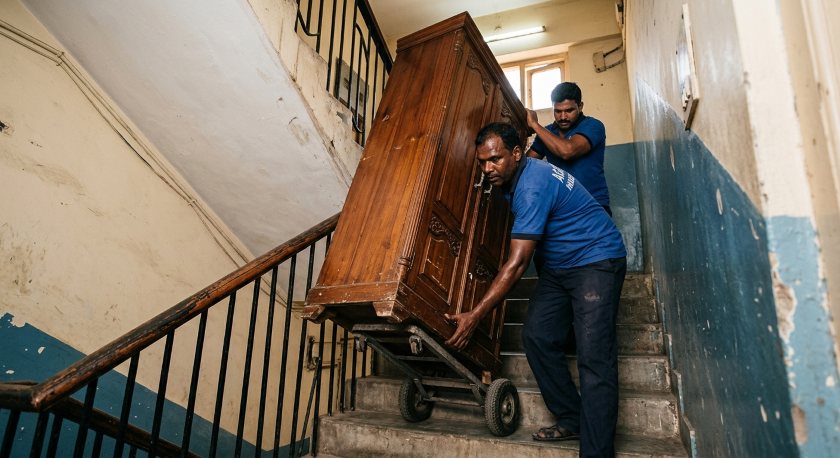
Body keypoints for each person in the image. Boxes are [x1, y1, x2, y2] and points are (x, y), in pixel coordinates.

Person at [445, 122, 627, 457]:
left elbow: (516, 266)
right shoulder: (515, 178)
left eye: (495, 159)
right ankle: (572, 417)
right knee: (538, 336)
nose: (488, 169)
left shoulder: (532, 185)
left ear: (517, 153)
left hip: (597, 259)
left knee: (595, 358)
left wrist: (476, 315)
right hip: (560, 268)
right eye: (483, 162)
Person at [526, 82, 611, 215]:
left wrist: (535, 125)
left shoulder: (593, 126)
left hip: (593, 206)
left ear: (580, 106)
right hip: (561, 209)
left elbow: (568, 151)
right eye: (558, 111)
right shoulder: (547, 132)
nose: (563, 117)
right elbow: (527, 164)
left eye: (569, 110)